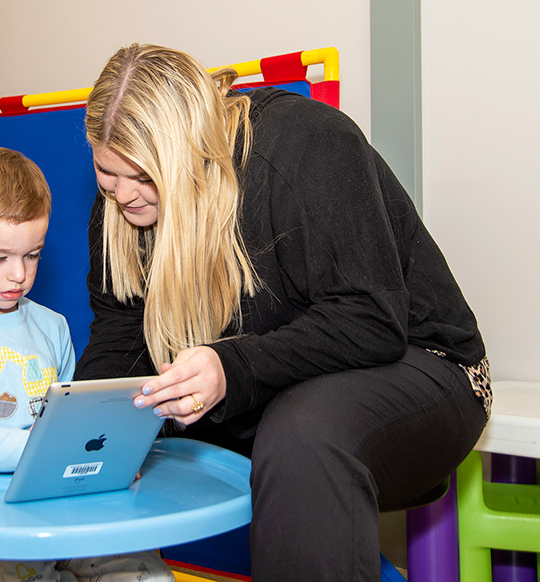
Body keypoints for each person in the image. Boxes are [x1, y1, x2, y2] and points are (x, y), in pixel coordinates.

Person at [75, 44, 491, 581]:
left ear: (190, 152)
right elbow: (120, 340)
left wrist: (233, 368)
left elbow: (371, 318)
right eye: (108, 174)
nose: (124, 196)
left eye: (145, 176)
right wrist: (83, 431)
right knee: (143, 438)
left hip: (427, 364)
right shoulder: (121, 209)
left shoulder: (307, 145)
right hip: (278, 388)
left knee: (303, 434)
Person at [0, 144, 173, 582]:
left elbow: (76, 412)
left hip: (61, 497)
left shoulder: (51, 326)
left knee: (142, 570)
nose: (19, 274)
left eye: (32, 255)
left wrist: (113, 451)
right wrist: (53, 448)